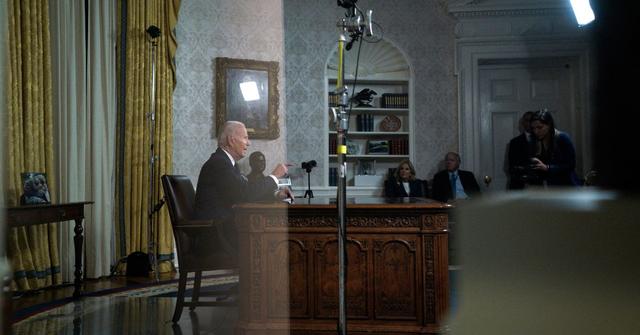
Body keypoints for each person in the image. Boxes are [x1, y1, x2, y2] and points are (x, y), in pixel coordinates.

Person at [193, 121, 292, 250]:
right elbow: (245, 194)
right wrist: (274, 176)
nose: (248, 143)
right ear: (231, 140)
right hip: (216, 235)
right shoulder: (219, 163)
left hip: (224, 229)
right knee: (271, 243)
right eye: (245, 138)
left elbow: (247, 189)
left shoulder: (228, 163)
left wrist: (276, 194)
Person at [528, 110, 579, 186]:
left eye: (540, 127)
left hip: (567, 185)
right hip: (550, 186)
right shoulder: (536, 140)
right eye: (533, 128)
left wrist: (547, 168)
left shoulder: (562, 138)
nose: (536, 131)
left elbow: (571, 165)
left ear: (549, 125)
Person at [506, 111, 535, 189]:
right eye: (526, 120)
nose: (529, 123)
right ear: (523, 123)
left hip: (539, 187)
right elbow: (511, 167)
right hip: (519, 185)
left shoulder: (544, 141)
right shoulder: (515, 143)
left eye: (531, 120)